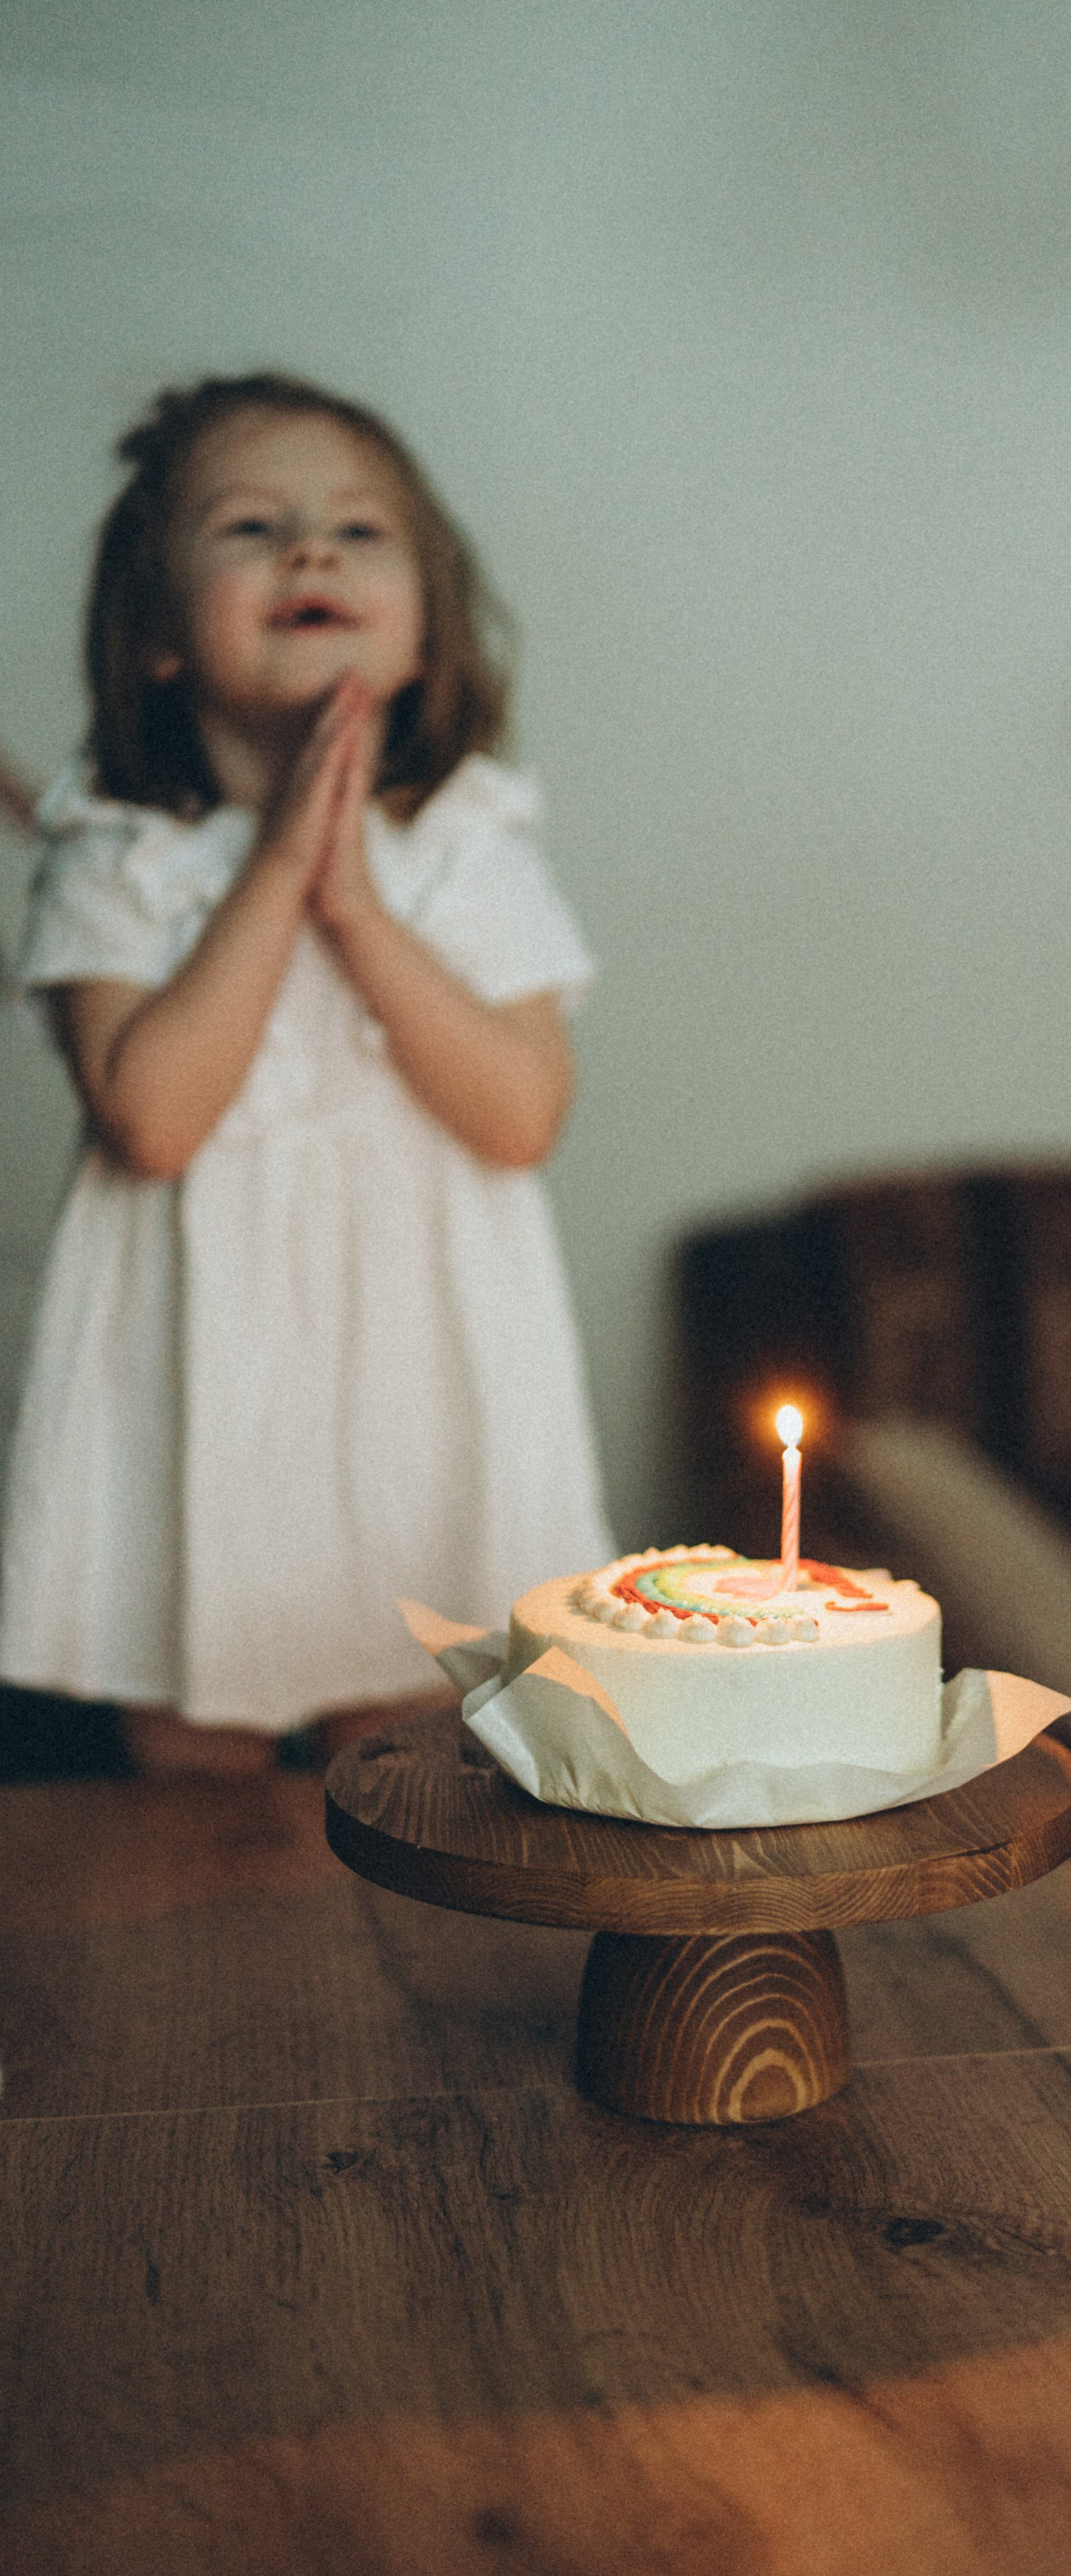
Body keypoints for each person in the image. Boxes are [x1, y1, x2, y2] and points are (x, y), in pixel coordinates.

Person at [0, 373, 612, 1777]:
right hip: (194, 1387)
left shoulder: (467, 841)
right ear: (155, 632)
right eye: (252, 526)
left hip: (421, 1374)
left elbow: (522, 1115)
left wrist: (359, 910)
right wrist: (279, 870)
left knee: (411, 1779)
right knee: (182, 1792)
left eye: (356, 531)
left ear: (425, 623)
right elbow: (152, 1118)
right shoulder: (116, 857)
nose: (311, 553)